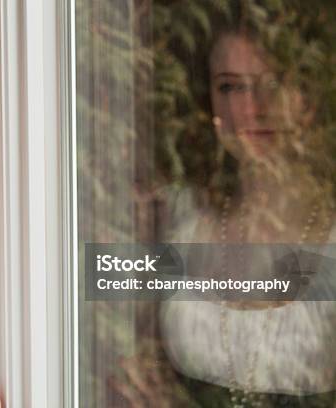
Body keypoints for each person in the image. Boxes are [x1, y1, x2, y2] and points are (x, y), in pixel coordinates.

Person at [112, 6, 336, 407]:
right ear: (209, 102)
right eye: (232, 87)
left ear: (310, 96)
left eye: (276, 81)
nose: (254, 108)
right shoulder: (178, 213)